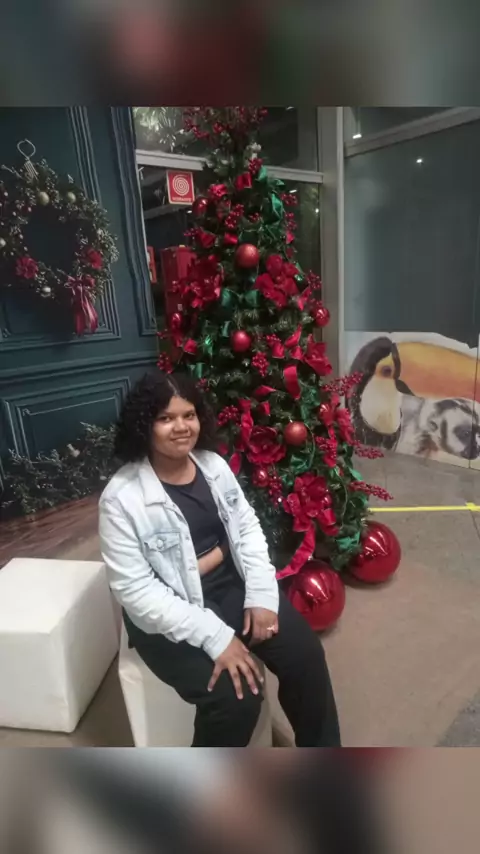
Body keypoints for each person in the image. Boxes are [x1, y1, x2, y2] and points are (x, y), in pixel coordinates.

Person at [99, 370, 340, 747]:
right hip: (168, 611)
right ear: (144, 425)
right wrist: (215, 636)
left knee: (305, 656)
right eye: (166, 418)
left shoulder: (212, 466)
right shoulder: (121, 498)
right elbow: (136, 592)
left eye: (189, 415)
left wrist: (262, 595)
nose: (181, 427)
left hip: (230, 585)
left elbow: (247, 528)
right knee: (236, 699)